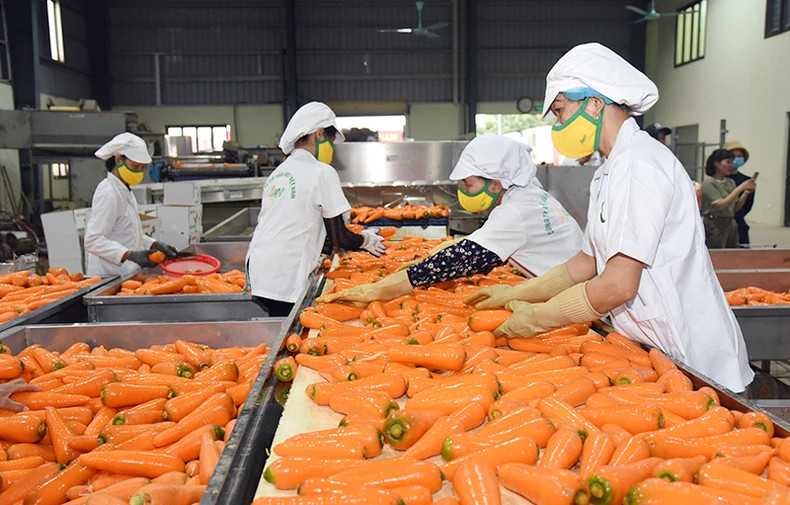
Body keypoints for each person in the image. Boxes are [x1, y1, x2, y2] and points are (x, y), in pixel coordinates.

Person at [466, 42, 753, 392]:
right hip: (653, 346)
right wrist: (522, 293)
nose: (558, 125)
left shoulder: (639, 166)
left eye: (560, 111)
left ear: (596, 103)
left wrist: (539, 319)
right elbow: (588, 262)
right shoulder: (611, 170)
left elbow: (618, 283)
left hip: (689, 352)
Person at [317, 135, 584, 304]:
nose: (463, 192)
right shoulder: (526, 193)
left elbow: (461, 261)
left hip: (575, 299)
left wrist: (377, 290)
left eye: (468, 184)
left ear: (496, 183)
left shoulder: (516, 211)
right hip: (567, 288)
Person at [245, 102, 386, 316]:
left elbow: (299, 221)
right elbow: (340, 238)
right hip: (287, 276)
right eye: (330, 140)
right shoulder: (321, 172)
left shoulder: (279, 172)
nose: (331, 147)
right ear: (319, 134)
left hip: (258, 272)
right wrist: (366, 240)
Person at [84, 133, 178, 277]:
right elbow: (93, 240)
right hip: (108, 275)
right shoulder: (109, 192)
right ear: (118, 159)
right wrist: (130, 255)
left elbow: (128, 233)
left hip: (126, 275)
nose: (139, 172)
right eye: (135, 166)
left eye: (142, 168)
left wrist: (154, 244)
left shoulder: (125, 190)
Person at [700, 149, 756, 249]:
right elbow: (721, 205)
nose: (731, 165)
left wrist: (746, 193)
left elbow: (735, 207)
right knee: (717, 253)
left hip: (730, 223)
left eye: (732, 162)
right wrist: (740, 188)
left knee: (732, 254)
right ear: (716, 163)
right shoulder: (709, 183)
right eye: (728, 162)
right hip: (714, 224)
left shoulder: (730, 182)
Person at [724, 140, 757, 247]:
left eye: (739, 156)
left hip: (739, 224)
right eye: (733, 156)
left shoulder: (747, 180)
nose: (736, 159)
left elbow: (747, 206)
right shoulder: (716, 181)